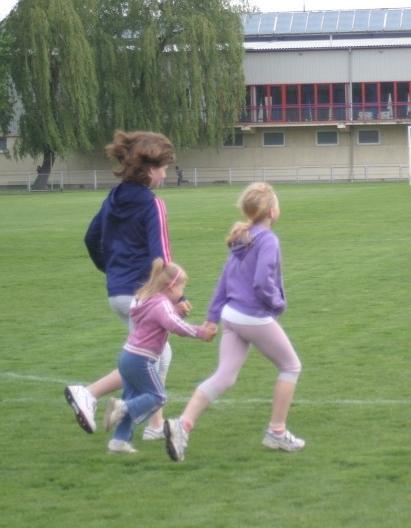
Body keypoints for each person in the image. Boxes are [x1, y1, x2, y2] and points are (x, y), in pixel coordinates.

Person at [164, 182, 304, 462]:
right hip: (252, 316)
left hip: (231, 316)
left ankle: (183, 424)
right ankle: (276, 432)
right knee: (290, 366)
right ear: (272, 212)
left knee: (225, 376)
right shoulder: (267, 240)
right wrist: (277, 303)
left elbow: (224, 281)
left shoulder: (243, 236)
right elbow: (262, 282)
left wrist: (212, 318)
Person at [65, 130, 185, 440]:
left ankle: (153, 428)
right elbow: (163, 259)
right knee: (147, 359)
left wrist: (111, 271)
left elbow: (91, 239)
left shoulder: (113, 197)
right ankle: (88, 394)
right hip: (140, 295)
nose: (165, 173)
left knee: (156, 354)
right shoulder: (152, 204)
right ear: (149, 170)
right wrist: (177, 295)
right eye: (163, 167)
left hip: (117, 292)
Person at [104, 259, 216, 454]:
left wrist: (175, 312)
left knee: (133, 398)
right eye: (182, 287)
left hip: (127, 355)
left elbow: (158, 321)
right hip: (141, 359)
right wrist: (201, 332)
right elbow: (174, 325)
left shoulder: (144, 298)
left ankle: (118, 441)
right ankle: (119, 408)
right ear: (171, 287)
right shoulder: (162, 303)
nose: (183, 293)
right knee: (157, 396)